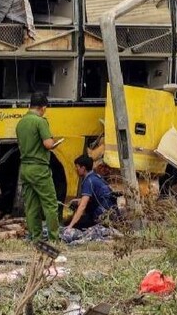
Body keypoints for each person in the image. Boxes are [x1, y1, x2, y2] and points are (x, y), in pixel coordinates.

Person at [16, 92, 60, 242]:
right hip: (39, 168)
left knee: (31, 206)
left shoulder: (21, 122)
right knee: (50, 204)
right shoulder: (40, 121)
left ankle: (36, 239)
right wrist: (54, 142)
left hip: (25, 167)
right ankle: (54, 239)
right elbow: (48, 144)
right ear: (43, 107)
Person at [67, 154, 117, 229]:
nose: (76, 169)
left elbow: (82, 206)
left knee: (71, 224)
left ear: (83, 168)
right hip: (112, 213)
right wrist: (77, 200)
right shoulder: (95, 176)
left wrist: (70, 226)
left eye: (77, 167)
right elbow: (95, 196)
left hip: (103, 216)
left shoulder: (88, 181)